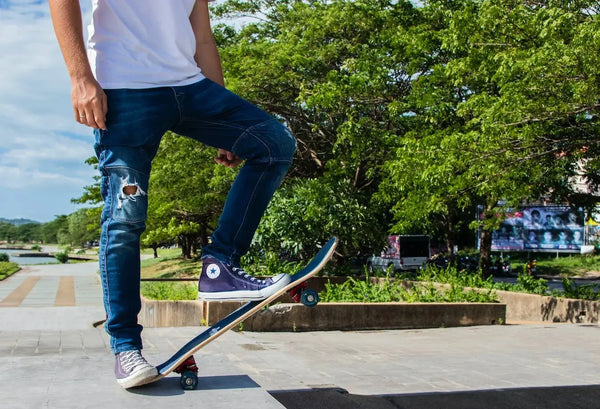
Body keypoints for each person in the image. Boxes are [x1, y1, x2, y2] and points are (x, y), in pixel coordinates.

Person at [49, 0, 295, 389]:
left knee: (273, 144)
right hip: (122, 90)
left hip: (191, 88)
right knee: (125, 220)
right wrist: (81, 77)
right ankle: (126, 346)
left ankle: (219, 267)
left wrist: (224, 122)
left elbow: (202, 36)